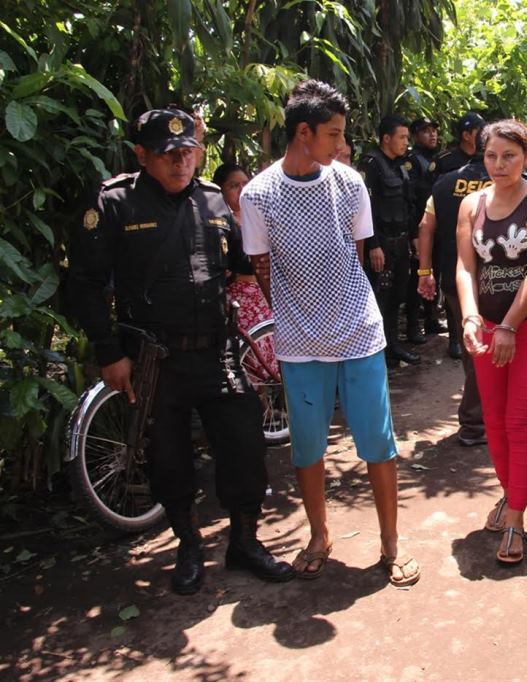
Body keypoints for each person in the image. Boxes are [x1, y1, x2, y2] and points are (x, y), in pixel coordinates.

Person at [68, 108, 295, 595]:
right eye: (169, 155)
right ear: (142, 156)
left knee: (245, 447)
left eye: (188, 152)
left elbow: (241, 265)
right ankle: (189, 546)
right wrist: (110, 353)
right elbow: (84, 285)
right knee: (169, 460)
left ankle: (244, 542)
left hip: (218, 352)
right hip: (156, 360)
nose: (180, 163)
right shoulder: (115, 203)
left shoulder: (213, 200)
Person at [240, 80, 420, 587]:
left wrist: (338, 310)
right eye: (334, 134)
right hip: (299, 346)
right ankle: (319, 535)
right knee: (307, 450)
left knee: (378, 445)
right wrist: (301, 317)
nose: (341, 146)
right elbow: (262, 267)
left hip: (359, 335)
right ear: (304, 132)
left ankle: (391, 543)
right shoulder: (259, 195)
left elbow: (356, 255)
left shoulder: (349, 183)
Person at [454, 120, 527, 564]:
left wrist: (511, 325)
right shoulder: (471, 205)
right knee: (492, 418)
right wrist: (471, 316)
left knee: (519, 419)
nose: (499, 164)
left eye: (509, 156)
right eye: (491, 155)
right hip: (488, 323)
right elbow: (464, 267)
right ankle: (510, 493)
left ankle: (515, 514)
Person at [416, 150, 490, 447]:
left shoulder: (445, 184)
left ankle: (478, 421)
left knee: (473, 349)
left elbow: (425, 227)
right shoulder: (508, 181)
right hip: (499, 279)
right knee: (491, 350)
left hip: (454, 277)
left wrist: (424, 271)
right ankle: (475, 423)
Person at [357, 114, 421, 368]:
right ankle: (377, 352)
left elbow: (409, 204)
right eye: (402, 137)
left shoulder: (399, 165)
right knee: (379, 298)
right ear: (386, 138)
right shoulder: (371, 164)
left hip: (401, 242)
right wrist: (373, 245)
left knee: (396, 296)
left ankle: (393, 345)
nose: (406, 142)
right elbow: (365, 208)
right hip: (381, 244)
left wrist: (414, 236)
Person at [213, 163, 272, 334]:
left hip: (267, 292)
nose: (242, 189)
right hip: (237, 295)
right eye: (233, 186)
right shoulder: (219, 222)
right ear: (220, 190)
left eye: (245, 183)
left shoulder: (262, 215)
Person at [405, 117, 445, 344]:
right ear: (415, 135)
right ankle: (412, 326)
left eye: (434, 130)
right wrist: (414, 235)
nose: (432, 135)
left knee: (435, 273)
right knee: (417, 277)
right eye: (426, 131)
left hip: (437, 225)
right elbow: (411, 199)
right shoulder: (411, 161)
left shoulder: (438, 159)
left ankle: (431, 318)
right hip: (420, 226)